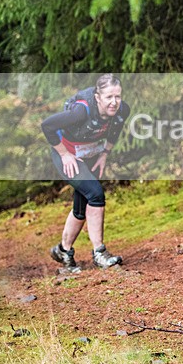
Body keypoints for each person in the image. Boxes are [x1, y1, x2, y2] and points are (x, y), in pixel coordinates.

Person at [41, 74, 130, 271]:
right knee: (95, 194)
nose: (114, 102)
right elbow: (47, 126)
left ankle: (63, 251)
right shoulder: (81, 111)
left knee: (81, 206)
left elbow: (116, 128)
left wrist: (105, 153)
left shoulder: (122, 110)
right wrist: (65, 155)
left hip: (89, 153)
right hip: (66, 154)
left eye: (118, 96)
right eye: (108, 97)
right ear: (98, 97)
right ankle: (99, 252)